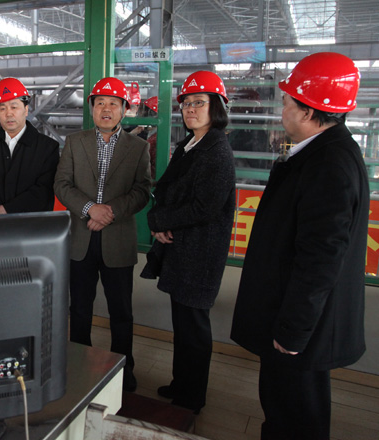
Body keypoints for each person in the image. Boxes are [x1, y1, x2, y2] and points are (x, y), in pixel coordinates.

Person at [231, 52, 368, 440]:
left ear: (308, 111)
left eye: (287, 103)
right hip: (295, 319)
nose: (282, 111)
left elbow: (321, 257)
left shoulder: (329, 164)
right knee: (286, 407)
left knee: (295, 415)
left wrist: (293, 330)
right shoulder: (322, 153)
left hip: (299, 328)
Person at [141, 71, 236, 414]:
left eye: (199, 102)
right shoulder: (190, 144)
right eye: (186, 103)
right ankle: (181, 384)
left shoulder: (217, 150)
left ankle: (192, 397)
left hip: (200, 253)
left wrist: (161, 222)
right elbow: (168, 190)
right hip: (181, 247)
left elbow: (204, 207)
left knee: (194, 327)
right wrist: (159, 222)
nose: (190, 109)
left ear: (217, 108)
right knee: (182, 323)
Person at [54, 77, 152, 392]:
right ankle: (78, 363)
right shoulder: (74, 142)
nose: (106, 109)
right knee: (79, 309)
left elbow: (142, 190)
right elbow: (61, 184)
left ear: (124, 109)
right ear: (92, 109)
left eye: (113, 103)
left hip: (118, 238)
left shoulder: (138, 147)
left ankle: (124, 369)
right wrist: (89, 209)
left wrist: (108, 211)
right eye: (100, 103)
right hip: (80, 240)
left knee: (121, 311)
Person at [0, 77, 59, 215]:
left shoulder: (47, 148)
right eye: (2, 108)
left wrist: (8, 210)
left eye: (14, 107)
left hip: (31, 225)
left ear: (26, 110)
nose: (8, 113)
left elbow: (44, 188)